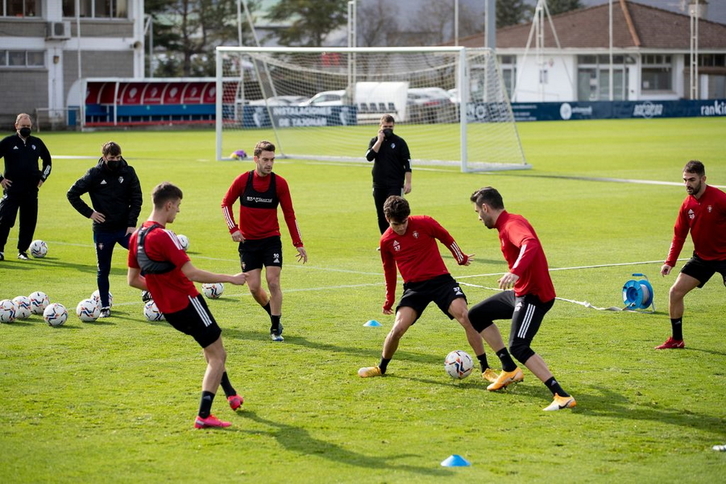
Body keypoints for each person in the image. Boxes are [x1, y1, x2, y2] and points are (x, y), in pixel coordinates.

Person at [128, 182, 248, 429]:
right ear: (169, 204)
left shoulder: (137, 237)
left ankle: (231, 394)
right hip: (189, 302)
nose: (178, 212)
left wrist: (161, 290)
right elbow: (192, 273)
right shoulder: (163, 236)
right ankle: (204, 415)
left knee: (209, 348)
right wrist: (230, 278)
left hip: (169, 311)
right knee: (218, 355)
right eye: (178, 206)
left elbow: (133, 280)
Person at [357, 195, 511, 382]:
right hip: (415, 288)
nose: (402, 227)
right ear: (388, 219)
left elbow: (446, 237)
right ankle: (381, 367)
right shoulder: (386, 241)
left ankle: (485, 368)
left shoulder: (424, 222)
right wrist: (389, 299)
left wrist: (460, 257)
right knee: (397, 329)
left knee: (466, 317)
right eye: (397, 224)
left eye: (404, 222)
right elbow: (389, 271)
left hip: (441, 282)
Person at [468, 187, 576, 412]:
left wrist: (515, 271)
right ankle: (509, 369)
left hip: (534, 296)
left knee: (519, 346)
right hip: (520, 292)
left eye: (478, 211)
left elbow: (530, 244)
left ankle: (561, 395)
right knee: (477, 314)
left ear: (486, 208)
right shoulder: (510, 221)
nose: (478, 217)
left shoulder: (511, 225)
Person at [221, 140, 307, 342]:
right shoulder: (243, 181)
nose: (269, 164)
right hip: (248, 242)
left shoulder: (280, 184)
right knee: (253, 287)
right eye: (265, 159)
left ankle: (275, 327)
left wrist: (298, 243)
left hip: (271, 240)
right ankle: (273, 314)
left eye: (272, 160)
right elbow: (225, 204)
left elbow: (289, 215)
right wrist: (233, 228)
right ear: (256, 159)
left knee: (273, 282)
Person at [68, 141, 142, 318]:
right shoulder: (94, 174)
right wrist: (90, 213)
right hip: (103, 231)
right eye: (111, 158)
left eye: (118, 157)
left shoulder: (128, 171)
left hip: (125, 229)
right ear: (104, 157)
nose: (115, 160)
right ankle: (104, 307)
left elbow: (137, 199)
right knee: (103, 269)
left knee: (143, 257)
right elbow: (72, 194)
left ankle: (148, 291)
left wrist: (131, 224)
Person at [656, 160, 726, 350]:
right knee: (675, 292)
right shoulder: (687, 205)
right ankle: (676, 340)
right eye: (685, 180)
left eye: (692, 180)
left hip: (725, 257)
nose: (687, 184)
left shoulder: (720, 199)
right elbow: (679, 235)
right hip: (702, 258)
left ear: (703, 179)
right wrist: (669, 262)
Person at [0, 113, 52, 261]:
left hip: (31, 190)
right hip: (12, 189)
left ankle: (22, 251)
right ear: (16, 126)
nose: (26, 129)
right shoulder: (8, 142)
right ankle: (0, 250)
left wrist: (43, 177)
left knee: (28, 222)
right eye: (23, 126)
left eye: (28, 126)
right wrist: (1, 179)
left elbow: (47, 162)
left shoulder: (37, 142)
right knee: (4, 219)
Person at [365, 114, 412, 235]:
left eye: (390, 127)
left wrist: (408, 182)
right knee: (381, 214)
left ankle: (399, 238)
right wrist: (380, 140)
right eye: (385, 126)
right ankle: (385, 240)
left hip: (395, 183)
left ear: (394, 126)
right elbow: (369, 157)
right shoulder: (375, 141)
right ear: (380, 126)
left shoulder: (399, 142)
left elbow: (407, 163)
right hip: (378, 183)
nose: (387, 129)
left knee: (396, 212)